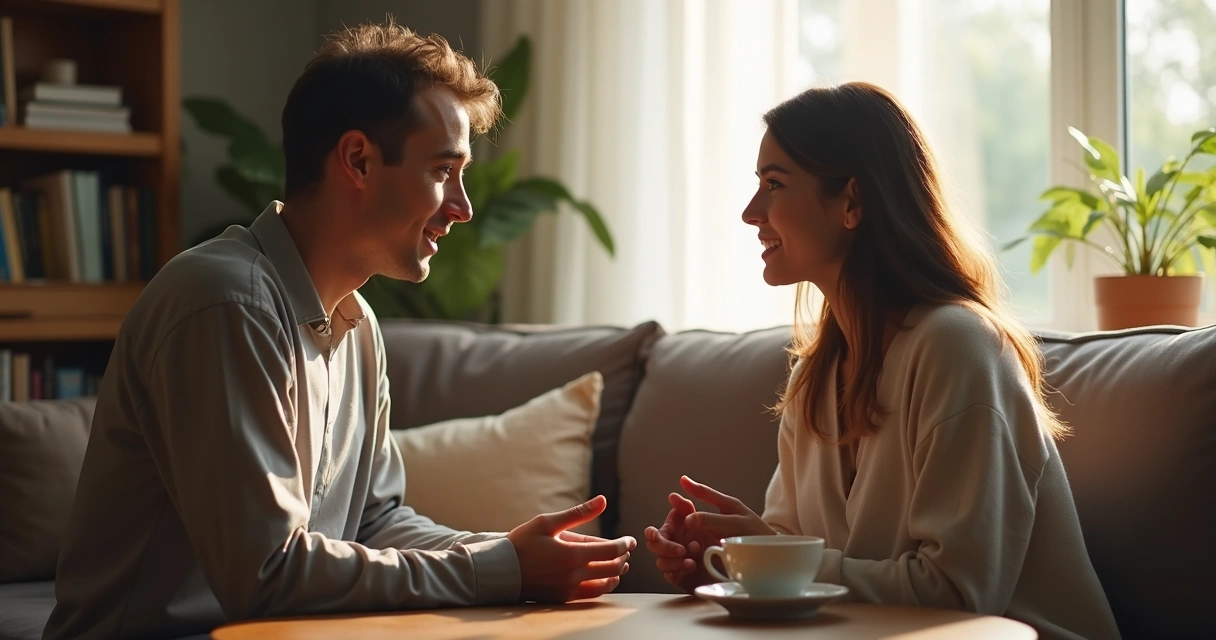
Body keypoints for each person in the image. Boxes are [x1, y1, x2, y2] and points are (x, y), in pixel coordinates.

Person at [44, 22, 634, 640]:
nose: (463, 206)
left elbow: (375, 522)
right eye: (442, 171)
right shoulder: (226, 303)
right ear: (357, 159)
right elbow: (268, 574)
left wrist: (506, 551)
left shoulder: (358, 323)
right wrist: (499, 569)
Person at [644, 82, 1121, 640]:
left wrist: (775, 559)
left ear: (852, 201)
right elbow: (799, 559)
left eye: (774, 184)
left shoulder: (957, 346)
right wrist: (724, 561)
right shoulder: (812, 378)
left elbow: (958, 594)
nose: (752, 213)